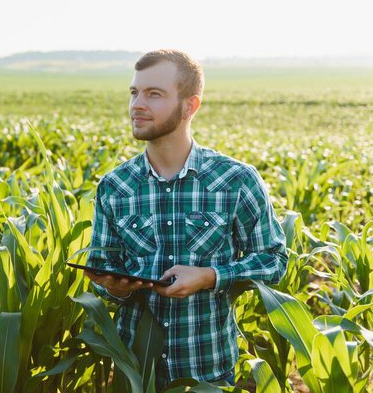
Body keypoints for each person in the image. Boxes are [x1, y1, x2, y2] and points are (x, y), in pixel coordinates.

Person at [84, 49, 288, 389]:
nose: (137, 104)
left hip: (206, 372)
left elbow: (275, 259)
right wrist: (115, 288)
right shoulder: (114, 187)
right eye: (134, 92)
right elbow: (102, 268)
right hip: (135, 372)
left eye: (154, 94)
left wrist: (209, 276)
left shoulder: (235, 180)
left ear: (189, 106)